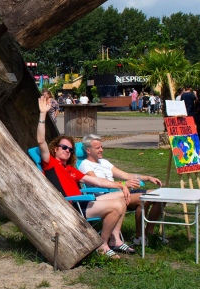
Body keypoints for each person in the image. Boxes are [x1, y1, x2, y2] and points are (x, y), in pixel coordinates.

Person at [37, 95, 132, 259]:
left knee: (122, 198)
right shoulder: (50, 163)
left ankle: (114, 239)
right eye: (64, 147)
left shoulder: (71, 170)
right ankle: (102, 244)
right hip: (72, 205)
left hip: (83, 200)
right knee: (116, 206)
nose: (68, 151)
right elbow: (40, 141)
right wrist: (43, 114)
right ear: (55, 149)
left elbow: (98, 181)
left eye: (71, 149)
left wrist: (121, 185)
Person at [78, 134, 164, 246]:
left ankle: (149, 232)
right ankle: (139, 237)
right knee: (145, 198)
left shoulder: (104, 162)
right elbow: (98, 182)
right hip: (106, 196)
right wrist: (123, 184)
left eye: (101, 147)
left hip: (121, 191)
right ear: (88, 150)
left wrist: (148, 178)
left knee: (159, 195)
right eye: (98, 148)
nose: (101, 150)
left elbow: (126, 175)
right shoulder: (85, 165)